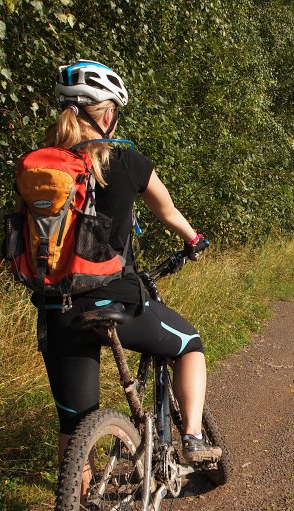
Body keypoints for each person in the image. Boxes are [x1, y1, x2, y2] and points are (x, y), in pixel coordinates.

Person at [39, 60, 220, 464]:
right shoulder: (127, 161)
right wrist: (194, 239)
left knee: (74, 427)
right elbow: (168, 211)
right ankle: (191, 439)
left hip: (58, 309)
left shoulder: (41, 167)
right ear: (106, 113)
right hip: (116, 299)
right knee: (190, 344)